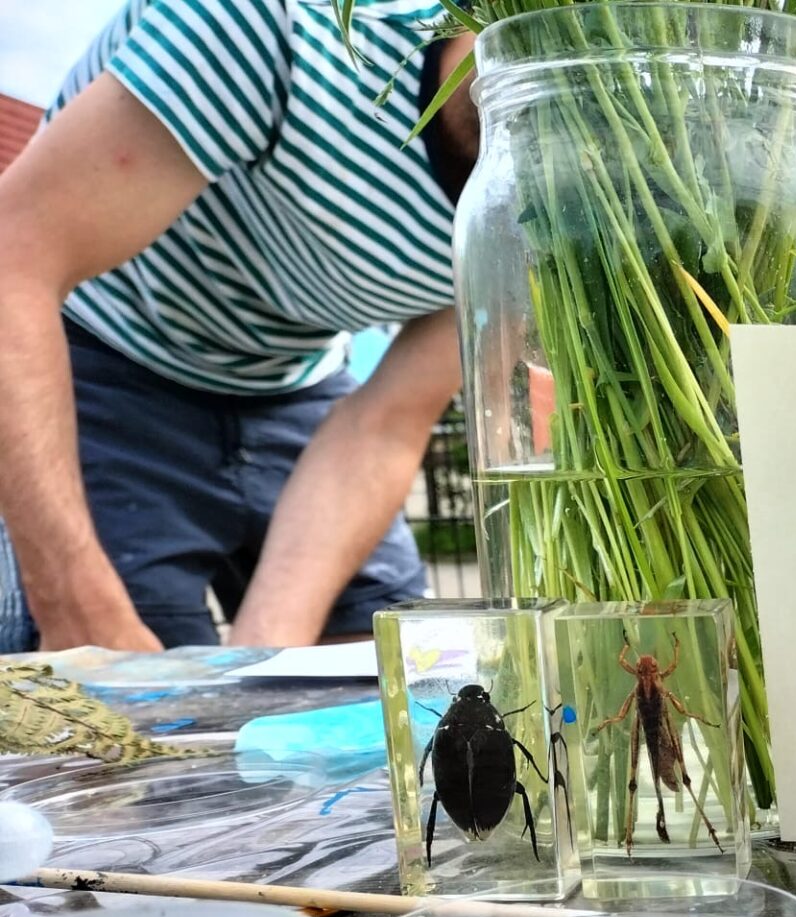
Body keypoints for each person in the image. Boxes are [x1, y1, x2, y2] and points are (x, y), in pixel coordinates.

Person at [0, 0, 479, 652]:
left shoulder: (561, 207)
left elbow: (389, 419)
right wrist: (72, 603)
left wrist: (266, 663)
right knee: (126, 687)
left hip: (297, 379)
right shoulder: (279, 22)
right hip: (103, 353)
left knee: (383, 672)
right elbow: (14, 264)